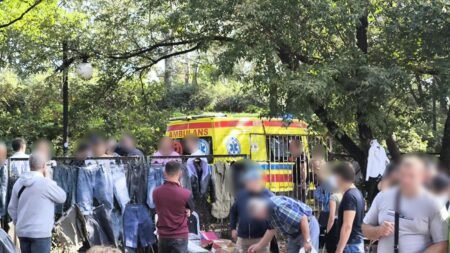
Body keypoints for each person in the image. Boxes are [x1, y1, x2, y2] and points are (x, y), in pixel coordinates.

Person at [362, 154, 448, 253]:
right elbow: (365, 228)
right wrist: (379, 230)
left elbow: (442, 243)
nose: (406, 180)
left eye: (411, 176)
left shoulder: (434, 203)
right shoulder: (382, 196)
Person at [8, 152, 66, 253]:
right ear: (44, 165)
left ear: (29, 164)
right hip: (41, 233)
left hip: (23, 232)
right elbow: (62, 197)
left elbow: (12, 208)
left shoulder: (19, 182)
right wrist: (48, 178)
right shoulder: (46, 183)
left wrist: (19, 221)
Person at [247, 196, 320, 253]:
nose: (260, 219)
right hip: (294, 233)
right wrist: (259, 246)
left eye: (258, 216)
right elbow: (271, 230)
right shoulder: (267, 212)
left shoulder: (279, 208)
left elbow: (303, 219)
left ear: (261, 210)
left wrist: (307, 241)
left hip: (307, 227)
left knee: (308, 250)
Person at [153, 161, 194, 253]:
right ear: (180, 174)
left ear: (164, 173)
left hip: (163, 236)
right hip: (180, 236)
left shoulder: (156, 192)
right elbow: (191, 208)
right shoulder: (186, 193)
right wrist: (188, 210)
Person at [230, 169, 274, 253]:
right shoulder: (241, 195)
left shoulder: (268, 195)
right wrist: (233, 228)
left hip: (261, 238)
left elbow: (274, 217)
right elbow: (233, 211)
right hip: (242, 238)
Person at [334, 162, 365, 253]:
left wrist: (339, 249)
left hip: (350, 245)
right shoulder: (357, 193)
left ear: (339, 177)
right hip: (355, 243)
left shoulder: (350, 196)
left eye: (335, 177)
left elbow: (347, 226)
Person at [325, 187, 342, 253]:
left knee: (331, 248)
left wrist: (328, 231)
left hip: (335, 225)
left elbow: (332, 216)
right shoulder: (344, 195)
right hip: (343, 223)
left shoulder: (333, 197)